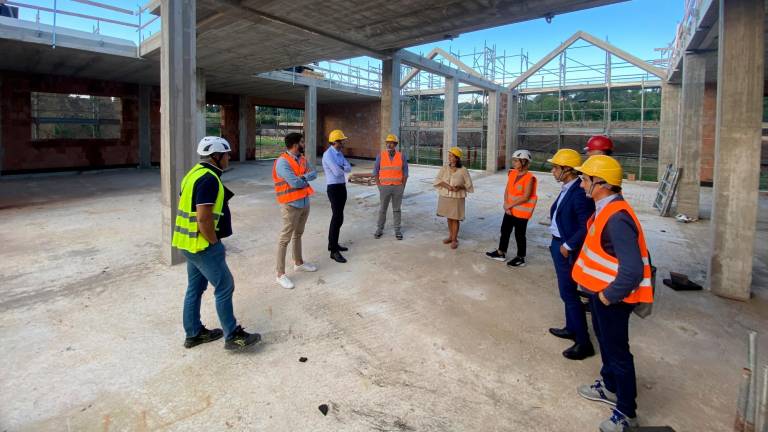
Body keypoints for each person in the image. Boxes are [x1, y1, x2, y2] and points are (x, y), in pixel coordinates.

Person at [571, 155, 653, 432]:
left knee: (618, 353)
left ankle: (627, 413)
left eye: (584, 180)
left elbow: (632, 270)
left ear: (601, 183)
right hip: (600, 294)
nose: (581, 185)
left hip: (613, 299)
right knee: (607, 345)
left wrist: (607, 296)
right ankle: (609, 387)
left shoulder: (617, 218)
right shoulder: (605, 209)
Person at [172, 136, 261, 351]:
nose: (229, 158)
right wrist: (214, 242)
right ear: (216, 156)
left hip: (187, 242)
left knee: (195, 287)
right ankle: (233, 336)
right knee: (224, 285)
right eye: (227, 154)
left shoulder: (193, 174)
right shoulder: (209, 179)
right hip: (202, 244)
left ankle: (193, 334)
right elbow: (203, 218)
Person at [544, 149, 596, 360]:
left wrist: (568, 244)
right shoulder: (569, 188)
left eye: (556, 167)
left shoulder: (579, 193)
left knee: (570, 294)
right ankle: (571, 327)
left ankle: (583, 342)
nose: (553, 171)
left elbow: (587, 225)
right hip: (558, 243)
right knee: (566, 292)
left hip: (567, 247)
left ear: (567, 170)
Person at [273, 132, 318, 290]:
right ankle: (280, 274)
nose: (304, 144)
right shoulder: (282, 162)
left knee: (298, 234)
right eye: (302, 142)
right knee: (285, 239)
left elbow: (314, 173)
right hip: (290, 204)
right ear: (295, 144)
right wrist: (304, 178)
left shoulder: (303, 159)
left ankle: (298, 263)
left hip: (304, 202)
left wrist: (302, 178)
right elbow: (294, 183)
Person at [485, 149, 537, 267]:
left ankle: (520, 257)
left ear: (524, 162)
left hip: (521, 213)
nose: (513, 163)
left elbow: (526, 196)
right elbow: (508, 190)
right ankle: (501, 253)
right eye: (513, 160)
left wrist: (509, 205)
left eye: (516, 161)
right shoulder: (512, 173)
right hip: (509, 210)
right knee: (505, 231)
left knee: (520, 235)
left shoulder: (530, 178)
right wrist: (505, 204)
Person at [434, 147, 473, 249]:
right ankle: (451, 237)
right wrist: (447, 186)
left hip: (457, 197)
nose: (449, 158)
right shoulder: (444, 168)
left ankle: (455, 239)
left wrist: (460, 187)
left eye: (452, 156)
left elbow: (469, 184)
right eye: (449, 156)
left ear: (457, 158)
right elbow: (437, 180)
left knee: (455, 218)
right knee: (449, 217)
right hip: (445, 196)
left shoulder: (463, 170)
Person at [322, 129, 352, 263]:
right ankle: (333, 251)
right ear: (335, 142)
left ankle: (333, 244)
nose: (343, 142)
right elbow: (336, 172)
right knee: (336, 217)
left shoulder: (339, 153)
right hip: (333, 188)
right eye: (341, 141)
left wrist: (342, 167)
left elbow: (348, 167)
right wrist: (342, 168)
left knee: (340, 217)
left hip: (341, 187)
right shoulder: (327, 155)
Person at [373, 133, 408, 240]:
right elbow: (375, 172)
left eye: (391, 143)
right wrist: (379, 185)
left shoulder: (401, 156)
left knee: (397, 209)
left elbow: (405, 173)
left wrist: (403, 186)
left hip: (398, 187)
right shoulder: (380, 156)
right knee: (383, 209)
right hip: (384, 187)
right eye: (387, 143)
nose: (389, 145)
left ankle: (397, 230)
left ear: (395, 144)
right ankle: (379, 229)